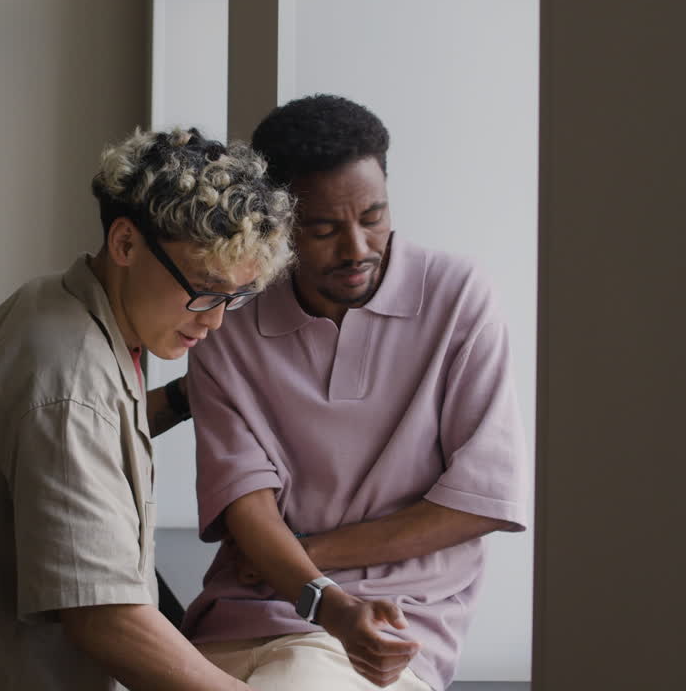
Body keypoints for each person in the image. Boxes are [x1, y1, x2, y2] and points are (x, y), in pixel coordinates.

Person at [0, 127, 295, 691]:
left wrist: (180, 400)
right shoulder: (70, 379)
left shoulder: (47, 303)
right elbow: (107, 618)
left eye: (235, 298)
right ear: (125, 244)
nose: (215, 319)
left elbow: (87, 434)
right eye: (204, 288)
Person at [182, 95, 530, 691]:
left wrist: (309, 557)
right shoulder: (228, 319)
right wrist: (299, 579)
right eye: (322, 229)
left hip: (390, 625)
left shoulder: (457, 296)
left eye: (373, 217)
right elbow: (247, 507)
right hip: (245, 619)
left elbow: (480, 500)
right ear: (276, 222)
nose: (357, 249)